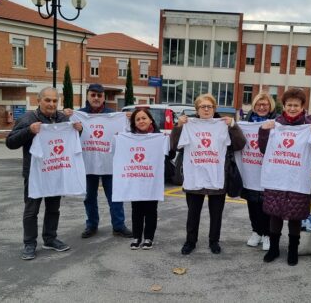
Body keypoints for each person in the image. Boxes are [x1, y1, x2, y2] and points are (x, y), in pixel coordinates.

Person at [6, 87, 82, 260]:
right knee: (31, 210)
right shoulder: (27, 118)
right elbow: (10, 142)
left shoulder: (62, 118)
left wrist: (79, 129)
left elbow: (73, 138)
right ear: (38, 100)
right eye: (47, 100)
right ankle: (29, 244)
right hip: (34, 173)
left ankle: (50, 238)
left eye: (55, 101)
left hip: (55, 171)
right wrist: (29, 131)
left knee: (54, 208)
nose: (51, 104)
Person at [170, 94, 246, 255]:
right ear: (197, 109)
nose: (206, 109)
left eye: (209, 106)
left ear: (214, 108)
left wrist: (233, 125)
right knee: (193, 214)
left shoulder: (223, 125)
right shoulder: (189, 125)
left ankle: (214, 241)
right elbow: (175, 146)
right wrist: (178, 126)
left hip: (217, 176)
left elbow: (239, 145)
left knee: (216, 214)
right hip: (195, 176)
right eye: (202, 106)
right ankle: (190, 241)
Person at [258, 88, 311, 266]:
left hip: (297, 178)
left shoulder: (309, 126)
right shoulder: (275, 124)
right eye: (289, 105)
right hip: (277, 177)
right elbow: (263, 149)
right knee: (275, 214)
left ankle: (293, 250)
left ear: (303, 106)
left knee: (296, 215)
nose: (292, 108)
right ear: (284, 106)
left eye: (296, 105)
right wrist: (263, 131)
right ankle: (273, 248)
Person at [64, 83, 132, 239]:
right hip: (87, 163)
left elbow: (127, 133)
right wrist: (65, 116)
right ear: (87, 96)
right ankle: (91, 225)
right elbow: (65, 134)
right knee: (89, 197)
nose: (96, 98)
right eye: (93, 95)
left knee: (115, 196)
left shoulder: (113, 115)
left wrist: (128, 118)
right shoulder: (77, 115)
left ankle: (119, 226)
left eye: (99, 95)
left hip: (109, 163)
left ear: (104, 98)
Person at [242, 93, 277, 250]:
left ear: (270, 106)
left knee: (267, 204)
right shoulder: (245, 123)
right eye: (258, 104)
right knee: (252, 204)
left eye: (265, 104)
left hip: (270, 170)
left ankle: (267, 234)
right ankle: (256, 231)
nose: (262, 107)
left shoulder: (278, 124)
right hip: (250, 169)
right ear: (254, 106)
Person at [127, 109, 164, 250]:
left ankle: (148, 237)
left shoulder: (159, 137)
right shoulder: (129, 138)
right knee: (136, 208)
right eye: (138, 119)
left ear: (150, 120)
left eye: (144, 118)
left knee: (150, 209)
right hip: (135, 178)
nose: (141, 121)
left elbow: (170, 153)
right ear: (134, 123)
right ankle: (136, 236)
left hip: (152, 179)